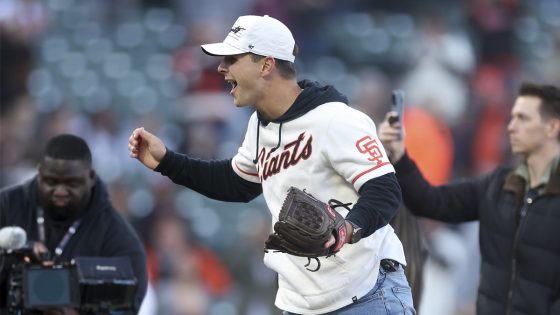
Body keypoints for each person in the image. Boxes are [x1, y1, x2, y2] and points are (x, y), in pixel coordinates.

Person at [128, 14, 415, 315]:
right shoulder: (259, 125)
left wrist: (348, 228)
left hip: (367, 293)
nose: (221, 68)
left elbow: (385, 189)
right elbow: (236, 183)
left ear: (266, 65)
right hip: (301, 303)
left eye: (232, 59)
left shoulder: (336, 119)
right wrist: (167, 162)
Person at [378, 82, 560, 315]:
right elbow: (431, 202)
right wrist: (400, 156)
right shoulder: (498, 185)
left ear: (552, 127)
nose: (511, 127)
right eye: (512, 118)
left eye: (523, 119)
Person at [0, 134, 148, 314]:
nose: (60, 191)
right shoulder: (7, 206)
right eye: (51, 182)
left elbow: (129, 307)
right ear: (39, 174)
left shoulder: (118, 238)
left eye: (72, 183)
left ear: (91, 177)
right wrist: (16, 253)